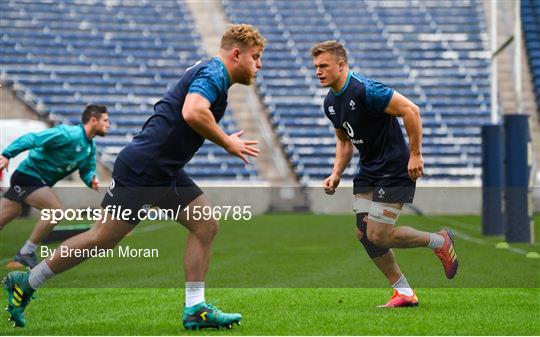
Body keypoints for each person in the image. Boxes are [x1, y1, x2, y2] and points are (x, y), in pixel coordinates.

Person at [2, 23, 264, 329]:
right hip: (146, 168)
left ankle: (196, 309)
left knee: (205, 224)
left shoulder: (213, 72)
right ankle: (28, 281)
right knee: (101, 238)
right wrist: (228, 141)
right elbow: (192, 111)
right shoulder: (214, 73)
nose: (258, 65)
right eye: (256, 57)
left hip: (163, 169)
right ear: (237, 54)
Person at [311, 41, 459, 307]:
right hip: (368, 171)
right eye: (316, 67)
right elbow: (345, 141)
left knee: (378, 234)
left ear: (341, 65)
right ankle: (403, 292)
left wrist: (415, 154)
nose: (318, 72)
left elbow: (410, 110)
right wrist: (336, 173)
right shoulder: (331, 103)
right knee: (363, 234)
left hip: (394, 169)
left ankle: (440, 241)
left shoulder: (367, 90)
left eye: (323, 66)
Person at [0, 104, 110, 268]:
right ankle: (26, 252)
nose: (108, 125)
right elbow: (33, 139)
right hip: (28, 175)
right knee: (55, 210)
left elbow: (87, 170)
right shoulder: (68, 134)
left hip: (38, 182)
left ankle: (26, 253)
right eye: (106, 121)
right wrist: (7, 154)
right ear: (93, 121)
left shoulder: (90, 147)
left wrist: (91, 179)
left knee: (9, 213)